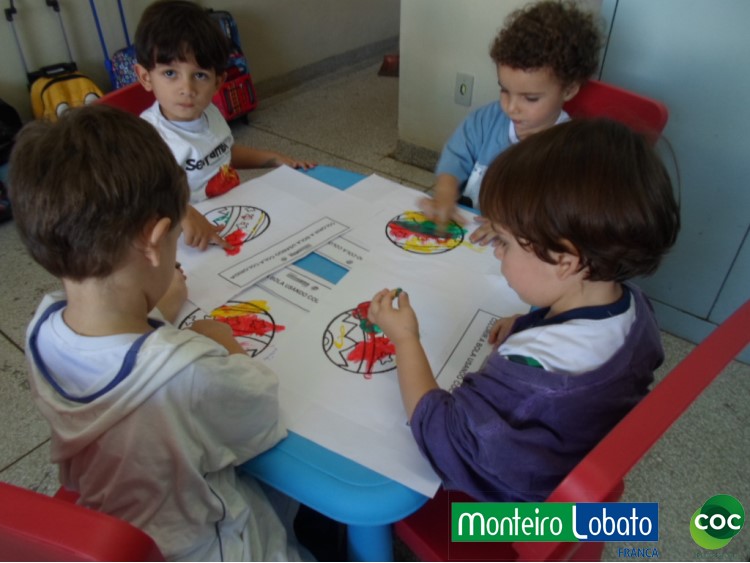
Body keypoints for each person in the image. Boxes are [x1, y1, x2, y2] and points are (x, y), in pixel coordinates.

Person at [8, 105, 312, 561]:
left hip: (112, 524)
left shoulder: (41, 328)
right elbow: (261, 414)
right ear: (154, 241)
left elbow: (113, 355)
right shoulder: (187, 370)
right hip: (206, 546)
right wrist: (224, 344)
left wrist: (159, 310)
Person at [368, 118, 680, 502]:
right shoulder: (634, 306)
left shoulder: (531, 372)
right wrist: (527, 322)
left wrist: (405, 340)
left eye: (504, 241)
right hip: (581, 468)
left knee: (371, 497)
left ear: (564, 261)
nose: (496, 252)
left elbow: (446, 439)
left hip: (525, 518)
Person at [134, 0, 316, 251]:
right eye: (170, 73)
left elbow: (222, 153)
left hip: (229, 217)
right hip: (184, 242)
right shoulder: (147, 137)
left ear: (218, 83)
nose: (187, 89)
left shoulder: (209, 112)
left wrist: (272, 158)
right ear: (146, 77)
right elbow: (139, 196)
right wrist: (182, 212)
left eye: (200, 75)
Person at [420, 0, 602, 244]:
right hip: (472, 240)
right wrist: (445, 192)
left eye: (530, 98)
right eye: (504, 90)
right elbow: (456, 156)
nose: (510, 107)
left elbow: (563, 216)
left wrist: (514, 227)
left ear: (568, 90)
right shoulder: (487, 120)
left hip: (524, 249)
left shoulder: (571, 151)